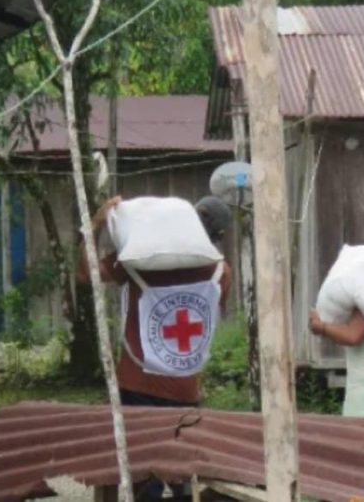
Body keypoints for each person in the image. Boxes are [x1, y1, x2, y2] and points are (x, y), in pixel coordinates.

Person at [78, 195, 232, 500]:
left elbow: (85, 274)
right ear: (219, 236)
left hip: (137, 386)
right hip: (186, 390)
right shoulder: (221, 273)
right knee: (183, 478)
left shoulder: (138, 263)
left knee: (140, 478)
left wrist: (95, 225)